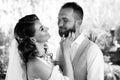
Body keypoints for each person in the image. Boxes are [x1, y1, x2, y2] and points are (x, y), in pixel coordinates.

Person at [5, 14, 74, 80]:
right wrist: (65, 51)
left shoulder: (43, 58)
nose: (47, 28)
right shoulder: (35, 64)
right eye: (42, 29)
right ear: (33, 39)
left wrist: (63, 48)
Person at [56, 2, 104, 80]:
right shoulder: (60, 49)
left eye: (65, 20)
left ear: (79, 23)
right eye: (59, 20)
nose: (60, 24)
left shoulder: (93, 51)